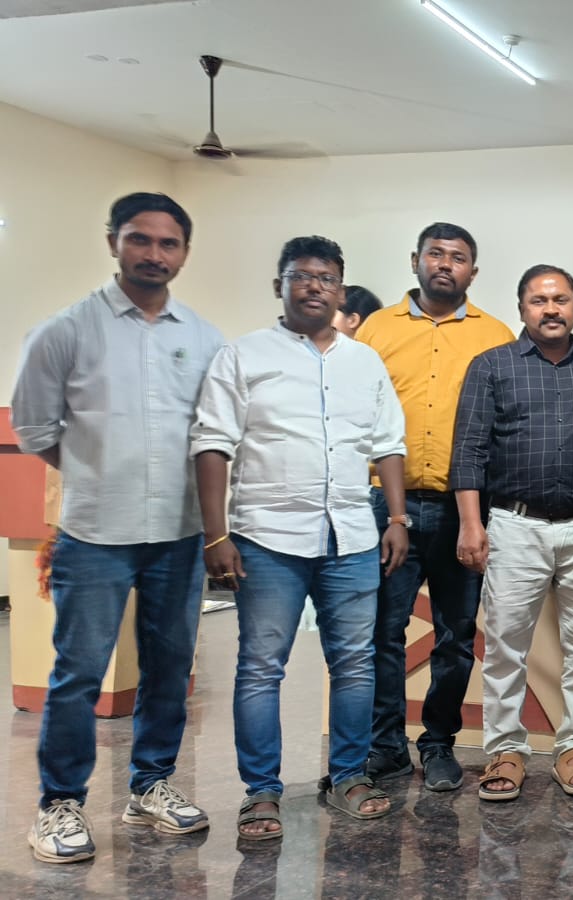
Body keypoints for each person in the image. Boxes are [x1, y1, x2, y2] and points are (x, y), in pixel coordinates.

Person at [11, 192, 222, 862]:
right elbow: (35, 429)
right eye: (140, 239)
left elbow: (214, 434)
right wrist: (99, 473)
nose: (153, 254)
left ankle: (150, 785)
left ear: (183, 254)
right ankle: (59, 804)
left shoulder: (204, 338)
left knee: (169, 667)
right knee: (79, 673)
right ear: (113, 243)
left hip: (178, 533)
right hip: (95, 535)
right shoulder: (65, 331)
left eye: (168, 243)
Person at [191, 235, 407, 837]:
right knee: (261, 667)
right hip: (267, 538)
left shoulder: (364, 362)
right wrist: (215, 535)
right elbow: (212, 444)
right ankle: (261, 791)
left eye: (327, 278)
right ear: (279, 285)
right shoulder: (242, 356)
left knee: (356, 665)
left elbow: (389, 443)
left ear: (341, 289)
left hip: (352, 538)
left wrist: (396, 519)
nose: (315, 286)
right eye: (302, 276)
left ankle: (348, 776)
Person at [355, 223, 515, 791]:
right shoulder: (376, 330)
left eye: (458, 257)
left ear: (474, 271)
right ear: (415, 260)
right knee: (384, 632)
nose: (446, 264)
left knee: (456, 635)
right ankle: (386, 747)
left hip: (462, 509)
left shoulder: (494, 335)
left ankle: (439, 743)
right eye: (435, 254)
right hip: (386, 506)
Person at [451, 264, 573, 800]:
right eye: (539, 301)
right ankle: (505, 751)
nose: (551, 309)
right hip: (515, 525)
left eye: (561, 299)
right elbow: (469, 452)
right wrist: (471, 524)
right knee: (505, 646)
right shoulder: (492, 366)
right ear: (522, 308)